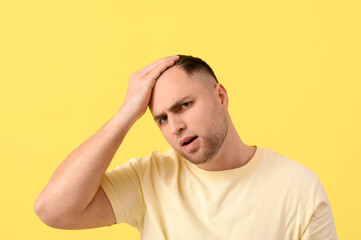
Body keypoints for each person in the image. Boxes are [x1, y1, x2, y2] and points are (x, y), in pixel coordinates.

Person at [34, 55, 338, 239]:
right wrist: (125, 115)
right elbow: (52, 210)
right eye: (162, 119)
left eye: (184, 106)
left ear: (220, 96)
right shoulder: (150, 179)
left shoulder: (300, 188)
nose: (175, 126)